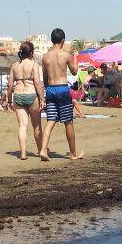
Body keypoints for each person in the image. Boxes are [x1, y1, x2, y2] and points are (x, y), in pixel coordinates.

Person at [40, 27, 83, 161]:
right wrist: (75, 57)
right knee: (68, 122)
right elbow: (75, 71)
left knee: (50, 121)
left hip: (50, 89)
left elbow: (45, 77)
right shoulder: (65, 55)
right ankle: (73, 153)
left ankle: (43, 150)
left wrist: (47, 93)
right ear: (63, 40)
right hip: (62, 88)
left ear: (52, 40)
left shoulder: (45, 56)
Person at [7, 40, 44, 160]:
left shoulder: (15, 66)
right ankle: (40, 150)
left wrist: (9, 101)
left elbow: (10, 86)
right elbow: (37, 83)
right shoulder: (34, 64)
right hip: (31, 94)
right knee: (37, 126)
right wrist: (42, 98)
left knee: (22, 126)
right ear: (31, 52)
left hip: (18, 95)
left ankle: (23, 153)